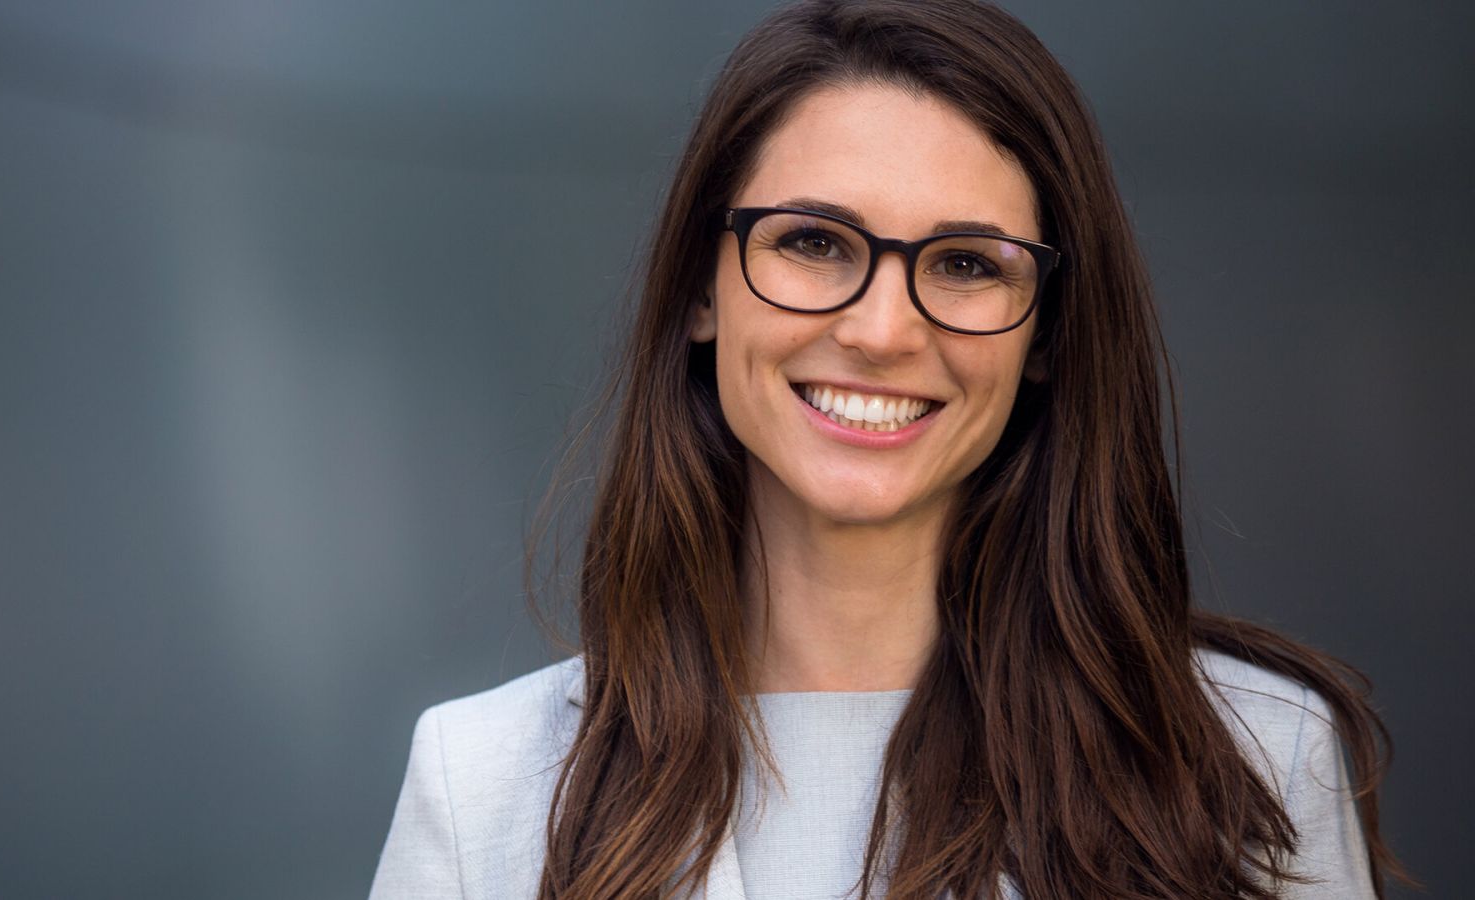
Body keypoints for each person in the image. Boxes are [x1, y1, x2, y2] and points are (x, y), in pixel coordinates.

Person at [369, 1, 1410, 897]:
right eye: (814, 242)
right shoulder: (484, 789)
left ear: (1044, 332)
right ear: (701, 287)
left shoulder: (1254, 760)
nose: (881, 331)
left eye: (964, 263)